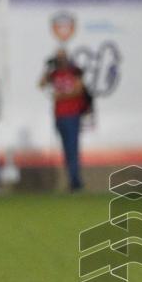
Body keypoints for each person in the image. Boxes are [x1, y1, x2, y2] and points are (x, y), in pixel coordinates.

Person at [39, 49, 87, 191]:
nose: (60, 60)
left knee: (73, 149)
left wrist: (62, 96)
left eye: (62, 57)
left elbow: (79, 90)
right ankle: (72, 180)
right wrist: (47, 68)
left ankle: (75, 181)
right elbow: (41, 84)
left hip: (72, 115)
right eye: (58, 58)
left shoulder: (74, 71)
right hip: (59, 116)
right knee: (66, 151)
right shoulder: (54, 73)